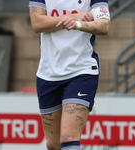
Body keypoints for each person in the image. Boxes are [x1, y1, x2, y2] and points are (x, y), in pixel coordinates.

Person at [29, 0, 111, 149]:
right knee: (53, 144)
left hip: (81, 70)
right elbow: (37, 23)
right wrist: (72, 17)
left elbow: (104, 25)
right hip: (48, 73)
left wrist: (78, 24)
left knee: (68, 137)